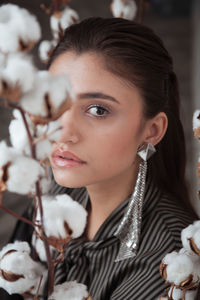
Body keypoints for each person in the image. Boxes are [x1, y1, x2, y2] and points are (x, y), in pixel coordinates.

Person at [0, 17, 198, 300]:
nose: (62, 133)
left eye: (97, 110)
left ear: (152, 130)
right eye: (57, 102)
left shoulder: (169, 267)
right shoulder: (58, 194)